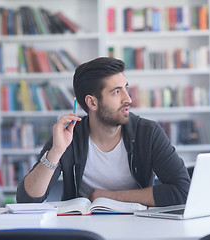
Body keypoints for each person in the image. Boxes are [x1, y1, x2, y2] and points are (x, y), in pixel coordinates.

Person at [16, 57, 190, 207]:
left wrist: (111, 197)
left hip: (138, 226)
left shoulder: (148, 133)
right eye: (116, 92)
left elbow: (182, 190)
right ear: (92, 103)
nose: (128, 99)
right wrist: (56, 152)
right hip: (83, 228)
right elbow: (27, 200)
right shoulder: (70, 136)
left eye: (125, 88)